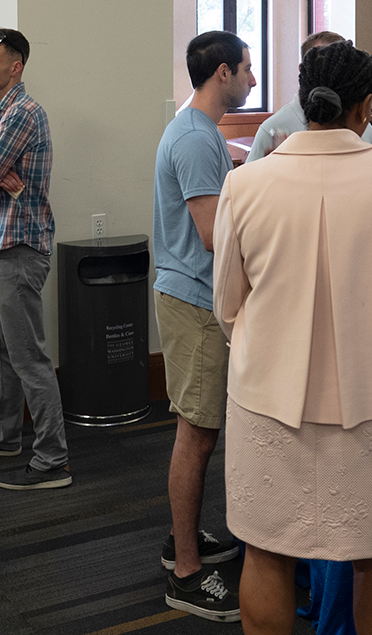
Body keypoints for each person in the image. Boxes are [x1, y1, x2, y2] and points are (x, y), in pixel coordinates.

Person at [213, 40, 372, 635]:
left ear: (302, 96)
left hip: (268, 399)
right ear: (365, 107)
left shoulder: (246, 184)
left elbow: (228, 305)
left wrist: (273, 343)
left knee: (267, 550)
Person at [154, 30, 253, 622]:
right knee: (197, 432)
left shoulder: (198, 131)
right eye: (246, 69)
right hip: (194, 301)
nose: (252, 80)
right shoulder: (194, 137)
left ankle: (180, 540)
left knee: (202, 430)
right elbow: (216, 236)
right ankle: (185, 573)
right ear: (222, 73)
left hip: (194, 295)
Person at [0, 28, 72, 490]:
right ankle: (5, 434)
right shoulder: (3, 110)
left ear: (16, 66)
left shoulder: (22, 114)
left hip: (20, 249)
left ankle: (52, 458)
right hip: (1, 245)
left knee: (29, 358)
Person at [246, 31, 372, 163]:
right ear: (303, 70)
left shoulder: (367, 131)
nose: (330, 73)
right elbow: (250, 178)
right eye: (322, 65)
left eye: (339, 68)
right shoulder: (272, 129)